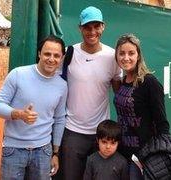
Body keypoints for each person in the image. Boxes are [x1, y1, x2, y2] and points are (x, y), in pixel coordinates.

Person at [114, 34, 171, 179]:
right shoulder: (123, 82)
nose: (126, 57)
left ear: (138, 56)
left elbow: (162, 123)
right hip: (124, 152)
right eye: (121, 53)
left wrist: (160, 156)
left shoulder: (149, 82)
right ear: (116, 56)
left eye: (131, 53)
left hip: (145, 156)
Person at [58, 6, 122, 180]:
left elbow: (119, 92)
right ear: (80, 28)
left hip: (102, 135)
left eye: (96, 26)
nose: (92, 31)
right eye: (87, 27)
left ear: (103, 27)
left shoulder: (112, 56)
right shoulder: (69, 53)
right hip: (72, 131)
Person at [0, 35, 68, 180]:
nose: (51, 59)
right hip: (13, 150)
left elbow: (59, 119)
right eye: (47, 54)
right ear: (39, 53)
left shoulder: (62, 86)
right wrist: (18, 114)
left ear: (62, 58)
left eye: (56, 55)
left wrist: (56, 153)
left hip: (44, 151)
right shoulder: (18, 74)